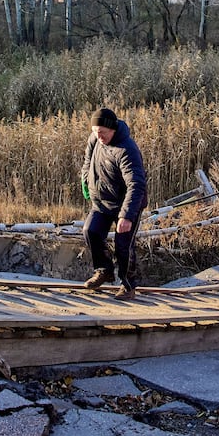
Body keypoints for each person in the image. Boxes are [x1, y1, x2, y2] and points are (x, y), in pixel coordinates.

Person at [80, 108, 148, 300]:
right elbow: (87, 162)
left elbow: (136, 184)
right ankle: (104, 271)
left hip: (126, 204)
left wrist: (126, 216)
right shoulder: (95, 139)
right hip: (102, 202)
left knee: (123, 245)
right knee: (90, 231)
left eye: (102, 132)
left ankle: (128, 285)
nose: (99, 136)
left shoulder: (127, 149)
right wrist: (86, 181)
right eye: (95, 132)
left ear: (113, 129)